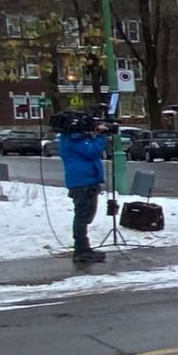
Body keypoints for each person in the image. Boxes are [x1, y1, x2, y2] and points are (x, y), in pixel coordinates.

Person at [56, 114, 109, 266]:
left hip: (83, 181)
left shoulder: (71, 138)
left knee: (83, 215)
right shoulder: (75, 140)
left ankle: (83, 248)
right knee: (83, 216)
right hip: (83, 182)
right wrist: (100, 136)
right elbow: (93, 152)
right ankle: (81, 250)